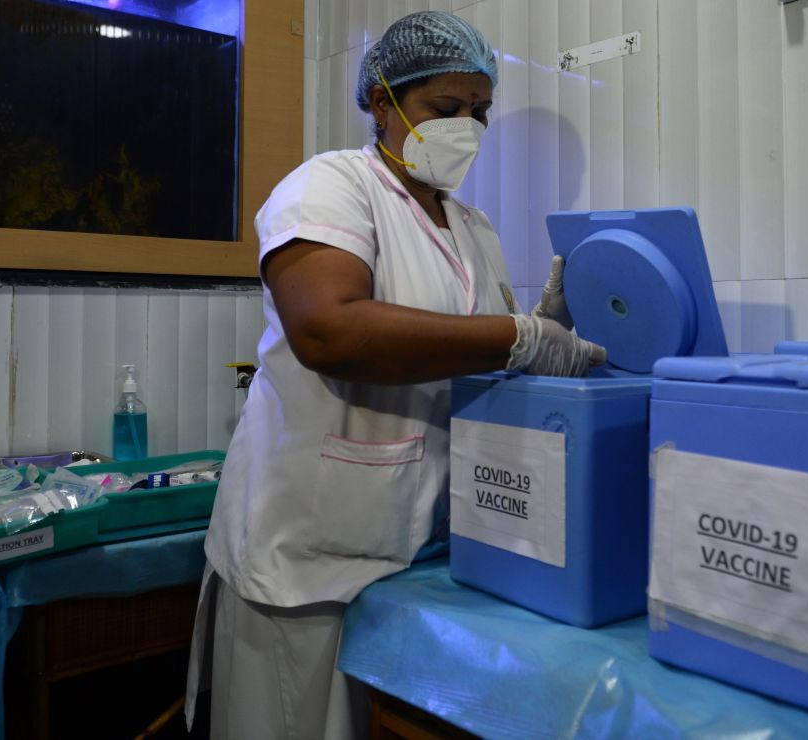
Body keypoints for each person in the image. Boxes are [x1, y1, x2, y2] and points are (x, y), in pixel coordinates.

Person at [185, 11, 606, 739]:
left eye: (480, 111)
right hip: (308, 554)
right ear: (382, 103)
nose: (467, 128)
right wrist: (516, 337)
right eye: (446, 109)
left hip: (417, 557)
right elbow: (326, 329)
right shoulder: (328, 188)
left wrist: (544, 332)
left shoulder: (472, 228)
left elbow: (467, 357)